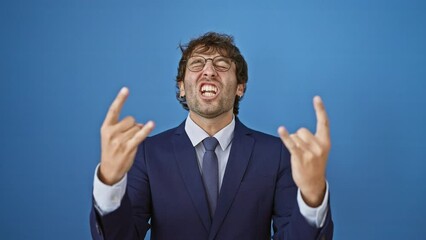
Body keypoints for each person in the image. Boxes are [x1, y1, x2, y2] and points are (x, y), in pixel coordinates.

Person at [90, 32, 334, 240]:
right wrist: (109, 182)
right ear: (182, 87)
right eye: (197, 64)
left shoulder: (277, 154)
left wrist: (312, 197)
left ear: (240, 87)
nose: (209, 71)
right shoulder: (146, 153)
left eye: (221, 64)